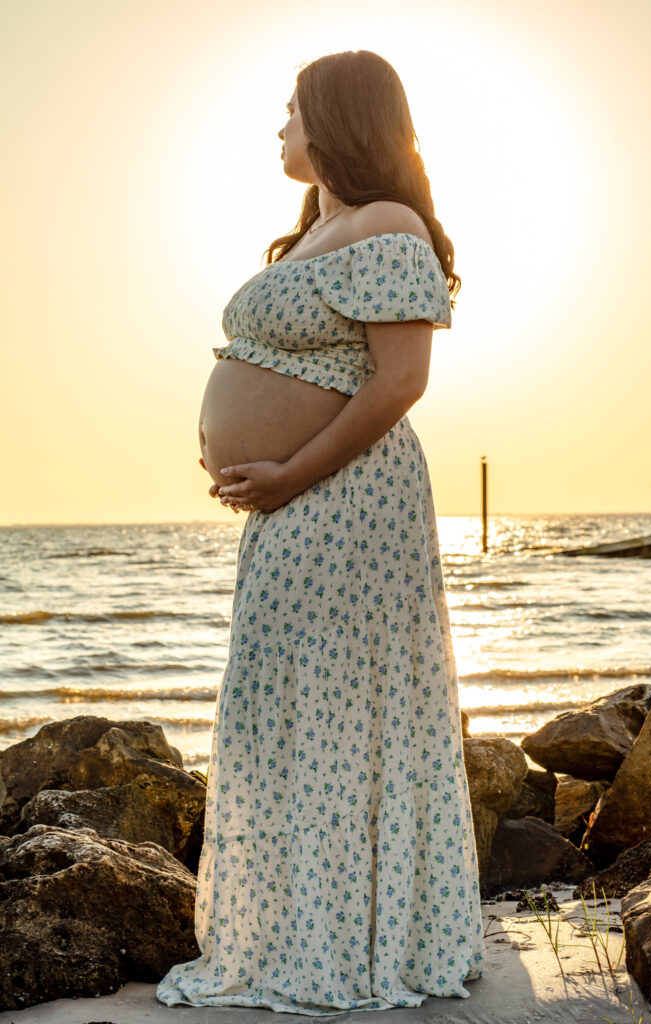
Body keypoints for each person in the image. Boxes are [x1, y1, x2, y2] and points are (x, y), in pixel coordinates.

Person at [157, 49, 486, 1014]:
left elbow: (401, 381)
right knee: (286, 704)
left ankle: (346, 942)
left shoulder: (387, 223)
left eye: (293, 110)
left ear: (338, 118)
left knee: (337, 709)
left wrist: (290, 468)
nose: (280, 128)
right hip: (297, 507)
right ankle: (297, 927)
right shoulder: (320, 230)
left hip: (348, 503)